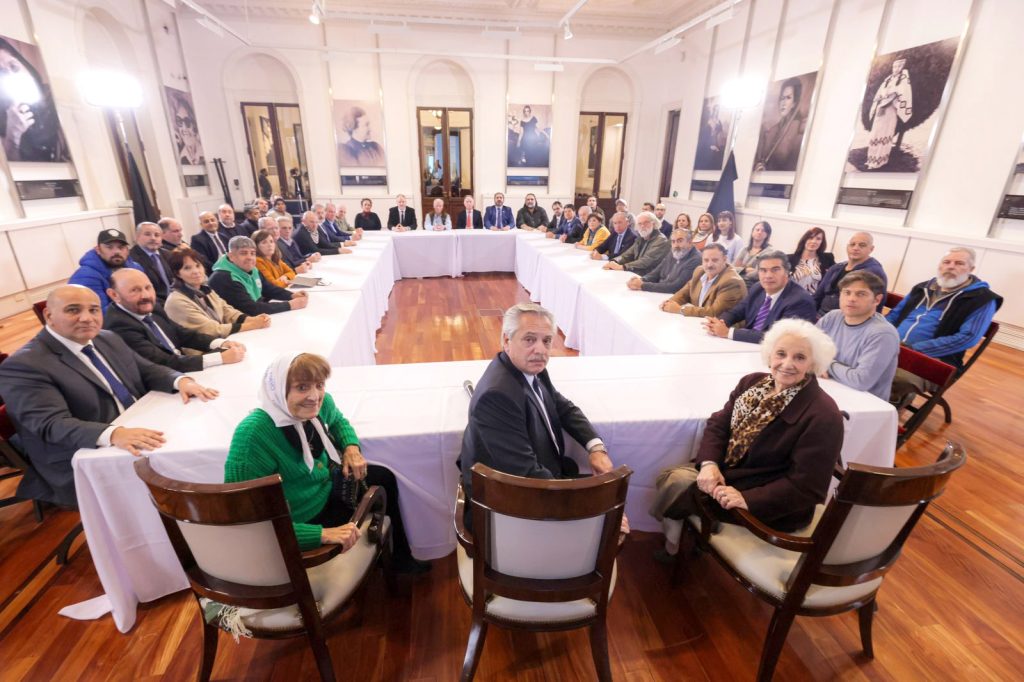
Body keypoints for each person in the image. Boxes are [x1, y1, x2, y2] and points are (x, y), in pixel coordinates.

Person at [0, 285, 217, 507]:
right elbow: (51, 424)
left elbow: (147, 369)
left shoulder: (106, 338)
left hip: (136, 424)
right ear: (49, 315)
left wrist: (180, 381)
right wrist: (114, 434)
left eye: (94, 310)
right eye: (73, 310)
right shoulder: (24, 365)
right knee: (195, 474)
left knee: (206, 442)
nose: (87, 318)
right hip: (82, 456)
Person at [649, 319, 843, 558]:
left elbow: (808, 488)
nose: (787, 364)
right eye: (781, 354)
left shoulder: (823, 415)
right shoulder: (753, 382)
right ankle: (682, 543)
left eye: (799, 357)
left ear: (813, 363)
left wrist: (746, 498)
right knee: (671, 477)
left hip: (771, 504)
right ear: (770, 354)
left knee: (674, 481)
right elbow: (719, 423)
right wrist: (709, 464)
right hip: (735, 475)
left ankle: (673, 547)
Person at [226, 352, 430, 573]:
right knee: (377, 485)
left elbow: (338, 422)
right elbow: (248, 521)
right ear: (277, 390)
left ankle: (399, 557)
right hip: (302, 521)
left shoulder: (319, 405)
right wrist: (320, 534)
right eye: (302, 387)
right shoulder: (253, 436)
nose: (315, 396)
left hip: (326, 490)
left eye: (319, 385)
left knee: (384, 477)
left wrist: (351, 447)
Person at [457, 303, 618, 527]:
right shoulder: (496, 396)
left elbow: (563, 407)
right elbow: (526, 474)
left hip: (538, 481)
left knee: (611, 493)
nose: (540, 350)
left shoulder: (530, 369)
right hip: (511, 509)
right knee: (610, 507)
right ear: (506, 340)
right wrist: (596, 509)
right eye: (529, 339)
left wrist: (595, 447)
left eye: (547, 341)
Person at [887, 247, 1002, 400]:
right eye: (946, 262)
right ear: (940, 265)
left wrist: (913, 350)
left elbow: (967, 337)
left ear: (971, 269)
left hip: (936, 360)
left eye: (959, 263)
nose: (951, 266)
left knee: (895, 379)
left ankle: (891, 407)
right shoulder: (922, 288)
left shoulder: (982, 299)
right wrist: (880, 335)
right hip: (894, 346)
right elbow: (894, 315)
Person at [103, 269, 246, 372]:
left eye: (148, 287)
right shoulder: (118, 325)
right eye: (135, 290)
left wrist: (222, 343)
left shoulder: (153, 306)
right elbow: (163, 362)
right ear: (114, 295)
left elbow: (181, 334)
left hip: (183, 368)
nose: (145, 295)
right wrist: (220, 358)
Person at [816, 272, 899, 400]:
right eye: (847, 292)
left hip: (862, 401)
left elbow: (860, 381)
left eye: (861, 294)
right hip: (828, 387)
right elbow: (807, 350)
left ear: (877, 300)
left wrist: (826, 363)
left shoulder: (882, 334)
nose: (851, 299)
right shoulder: (833, 316)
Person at [705, 249, 817, 344]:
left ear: (787, 272)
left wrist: (728, 332)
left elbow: (780, 338)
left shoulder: (800, 301)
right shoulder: (758, 288)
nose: (768, 275)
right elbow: (736, 312)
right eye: (763, 270)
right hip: (748, 348)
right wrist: (719, 323)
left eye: (775, 270)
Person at [164, 247, 271, 338]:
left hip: (225, 340)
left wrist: (251, 319)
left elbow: (227, 311)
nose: (196, 271)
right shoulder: (176, 301)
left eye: (198, 265)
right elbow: (212, 329)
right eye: (187, 268)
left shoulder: (204, 289)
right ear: (178, 274)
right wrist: (251, 325)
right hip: (203, 352)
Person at [0, 38, 69, 162]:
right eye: (2, 74)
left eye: (14, 67)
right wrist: (13, 136)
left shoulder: (58, 95)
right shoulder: (4, 120)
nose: (11, 76)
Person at [208, 236, 308, 316]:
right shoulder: (223, 278)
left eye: (252, 253)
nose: (249, 257)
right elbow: (252, 309)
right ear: (231, 256)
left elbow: (268, 288)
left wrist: (291, 295)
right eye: (243, 253)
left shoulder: (252, 269)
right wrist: (290, 305)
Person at [661, 243, 747, 316]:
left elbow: (714, 312)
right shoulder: (699, 271)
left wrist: (680, 309)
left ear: (724, 259)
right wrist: (669, 302)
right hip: (698, 323)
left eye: (714, 260)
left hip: (721, 330)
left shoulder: (731, 282)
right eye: (706, 260)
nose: (709, 265)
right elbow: (684, 294)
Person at [68, 229, 145, 310]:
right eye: (109, 247)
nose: (116, 252)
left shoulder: (136, 268)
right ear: (98, 249)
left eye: (121, 247)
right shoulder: (85, 276)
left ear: (127, 250)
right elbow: (100, 314)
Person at [815, 231, 888, 316]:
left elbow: (874, 308)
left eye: (862, 245)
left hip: (848, 321)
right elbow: (817, 296)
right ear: (847, 247)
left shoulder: (873, 273)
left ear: (871, 249)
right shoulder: (836, 268)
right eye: (852, 244)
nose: (856, 248)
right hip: (820, 316)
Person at [865, 57, 912, 170]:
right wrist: (881, 98)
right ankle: (872, 159)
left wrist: (888, 99)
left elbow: (902, 94)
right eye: (894, 66)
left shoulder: (904, 79)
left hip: (890, 110)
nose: (896, 68)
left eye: (898, 66)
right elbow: (880, 92)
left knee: (885, 134)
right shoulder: (888, 79)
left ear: (902, 67)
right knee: (876, 134)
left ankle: (880, 160)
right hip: (880, 110)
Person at [753, 77, 806, 172]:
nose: (783, 103)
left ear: (794, 103)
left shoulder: (800, 130)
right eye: (782, 98)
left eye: (788, 98)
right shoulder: (772, 130)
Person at [628, 228, 701, 294]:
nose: (676, 245)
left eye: (680, 241)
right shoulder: (674, 252)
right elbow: (656, 272)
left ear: (690, 242)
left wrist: (643, 285)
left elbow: (676, 287)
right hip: (660, 292)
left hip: (674, 298)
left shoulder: (695, 259)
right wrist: (641, 279)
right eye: (673, 241)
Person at [604, 211, 669, 276]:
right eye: (640, 224)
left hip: (650, 279)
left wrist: (623, 267)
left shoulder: (661, 240)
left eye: (646, 222)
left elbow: (646, 261)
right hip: (637, 274)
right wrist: (614, 261)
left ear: (654, 224)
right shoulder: (641, 238)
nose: (642, 226)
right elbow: (627, 255)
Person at [130, 222, 174, 303]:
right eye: (147, 234)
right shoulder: (131, 259)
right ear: (137, 237)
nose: (153, 238)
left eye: (157, 235)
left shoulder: (168, 254)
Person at [788, 227, 835, 296]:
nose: (813, 241)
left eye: (818, 239)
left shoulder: (828, 258)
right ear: (804, 240)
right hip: (791, 299)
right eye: (810, 238)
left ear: (822, 242)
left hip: (814, 302)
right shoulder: (789, 259)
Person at [734, 220, 772, 287]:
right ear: (752, 232)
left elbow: (758, 273)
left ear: (767, 235)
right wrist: (745, 270)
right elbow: (733, 268)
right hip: (737, 281)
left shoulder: (768, 252)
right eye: (757, 229)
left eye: (763, 231)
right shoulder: (745, 249)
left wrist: (741, 270)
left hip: (752, 284)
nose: (759, 232)